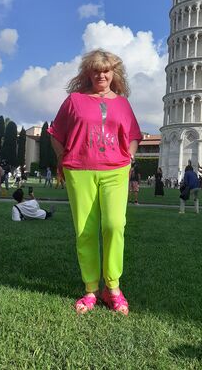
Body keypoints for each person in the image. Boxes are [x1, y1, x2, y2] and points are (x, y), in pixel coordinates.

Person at [48, 49, 142, 315]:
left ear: (114, 73)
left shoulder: (123, 104)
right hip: (79, 170)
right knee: (85, 231)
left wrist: (130, 158)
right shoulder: (74, 100)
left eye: (106, 70)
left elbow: (134, 135)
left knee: (114, 225)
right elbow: (55, 133)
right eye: (96, 71)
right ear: (87, 73)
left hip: (116, 170)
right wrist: (62, 159)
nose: (101, 75)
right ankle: (91, 289)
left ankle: (113, 288)